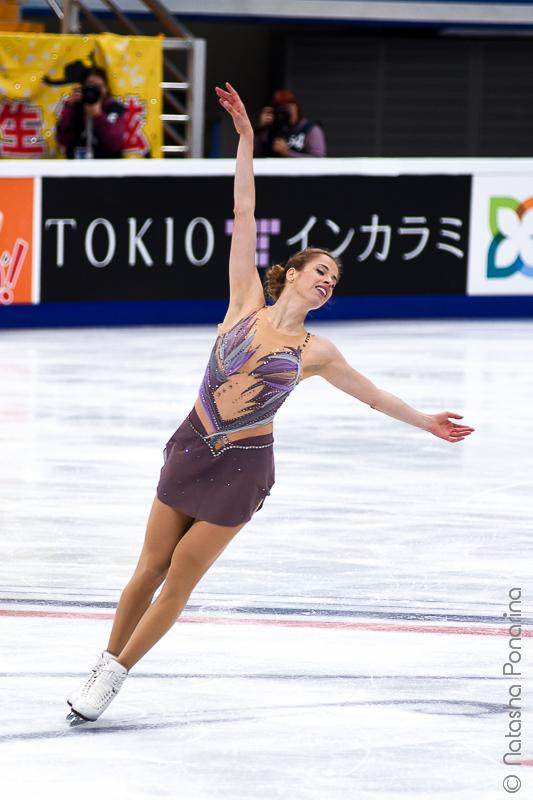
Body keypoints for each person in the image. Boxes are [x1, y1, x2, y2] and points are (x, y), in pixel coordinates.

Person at [66, 82, 475, 723]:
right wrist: (248, 143)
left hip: (242, 467)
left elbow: (371, 395)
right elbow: (244, 206)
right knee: (148, 566)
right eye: (321, 272)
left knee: (181, 578)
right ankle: (105, 656)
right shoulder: (244, 300)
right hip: (194, 442)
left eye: (335, 282)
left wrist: (425, 420)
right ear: (294, 271)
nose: (327, 283)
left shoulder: (317, 352)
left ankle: (115, 676)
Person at [56, 66, 126, 159]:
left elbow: (114, 144)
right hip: (77, 168)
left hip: (108, 168)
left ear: (106, 89)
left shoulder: (115, 108)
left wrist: (98, 115)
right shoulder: (75, 107)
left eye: (99, 87)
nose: (94, 91)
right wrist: (70, 107)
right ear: (82, 88)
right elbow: (63, 139)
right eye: (91, 86)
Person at [254, 89, 326, 158]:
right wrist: (261, 128)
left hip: (299, 170)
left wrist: (288, 153)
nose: (285, 113)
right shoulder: (269, 130)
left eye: (289, 108)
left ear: (297, 108)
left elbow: (318, 160)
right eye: (281, 109)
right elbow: (253, 155)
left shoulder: (310, 129)